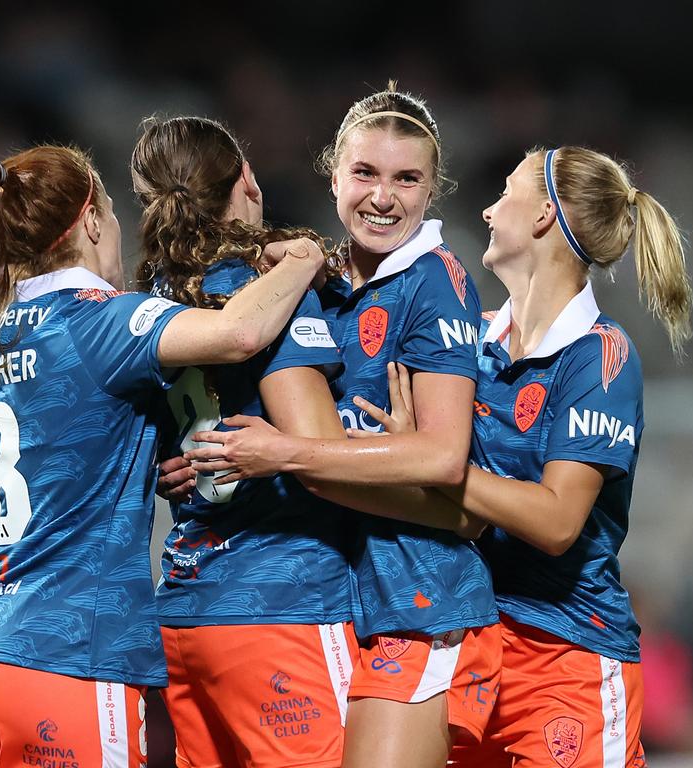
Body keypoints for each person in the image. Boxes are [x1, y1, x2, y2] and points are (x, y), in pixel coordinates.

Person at [0, 145, 328, 768]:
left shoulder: (5, 328)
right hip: (62, 648)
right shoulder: (101, 321)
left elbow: (78, 441)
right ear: (89, 222)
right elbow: (239, 333)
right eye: (111, 212)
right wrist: (302, 257)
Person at [183, 85, 501, 768]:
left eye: (406, 178)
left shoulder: (437, 282)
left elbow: (444, 459)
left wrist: (285, 452)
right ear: (333, 176)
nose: (383, 197)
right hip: (336, 595)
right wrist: (194, 454)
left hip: (420, 598)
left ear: (432, 188)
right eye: (365, 173)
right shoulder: (313, 281)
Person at [409, 145, 690, 766]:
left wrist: (435, 462)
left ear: (542, 215)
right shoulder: (472, 342)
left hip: (570, 658)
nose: (486, 211)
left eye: (505, 192)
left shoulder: (601, 357)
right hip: (470, 648)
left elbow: (557, 521)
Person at [131, 115, 358, 768]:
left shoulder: (151, 305)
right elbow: (319, 453)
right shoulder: (271, 298)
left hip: (185, 610)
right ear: (248, 183)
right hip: (280, 605)